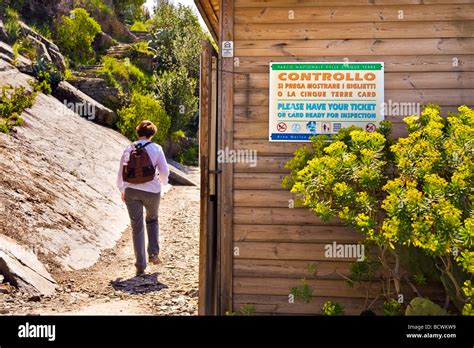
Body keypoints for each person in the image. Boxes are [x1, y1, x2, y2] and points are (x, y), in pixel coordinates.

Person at [117, 120, 170, 276]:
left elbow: (121, 171)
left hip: (131, 192)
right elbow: (165, 171)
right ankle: (153, 253)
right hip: (152, 191)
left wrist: (122, 189)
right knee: (152, 220)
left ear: (137, 132)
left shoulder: (128, 148)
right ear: (152, 134)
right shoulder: (157, 148)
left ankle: (140, 266)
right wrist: (162, 182)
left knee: (137, 227)